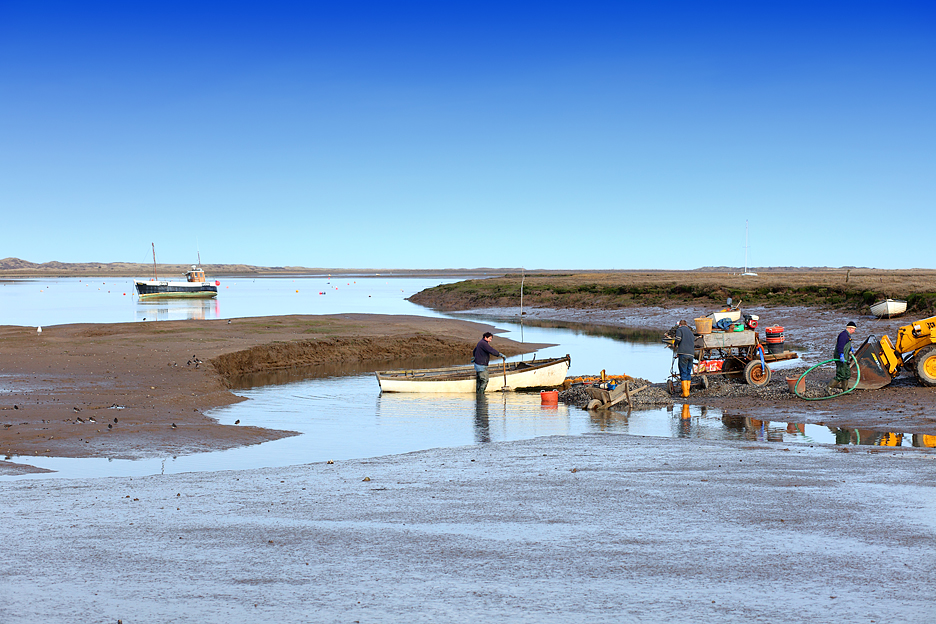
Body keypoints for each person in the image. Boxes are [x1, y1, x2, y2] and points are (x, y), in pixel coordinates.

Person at [829, 321, 857, 392]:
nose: (854, 331)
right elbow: (840, 346)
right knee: (841, 374)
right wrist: (841, 355)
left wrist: (850, 349)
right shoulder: (843, 335)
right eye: (854, 329)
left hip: (846, 357)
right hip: (841, 358)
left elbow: (846, 345)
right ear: (850, 328)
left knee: (847, 373)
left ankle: (845, 389)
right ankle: (828, 388)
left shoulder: (847, 336)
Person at [673, 320, 696, 397]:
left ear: (680, 325)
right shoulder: (690, 332)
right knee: (688, 371)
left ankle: (685, 393)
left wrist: (675, 344)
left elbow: (678, 339)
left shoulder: (679, 330)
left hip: (683, 353)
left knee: (683, 371)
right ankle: (688, 391)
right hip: (691, 354)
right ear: (686, 324)